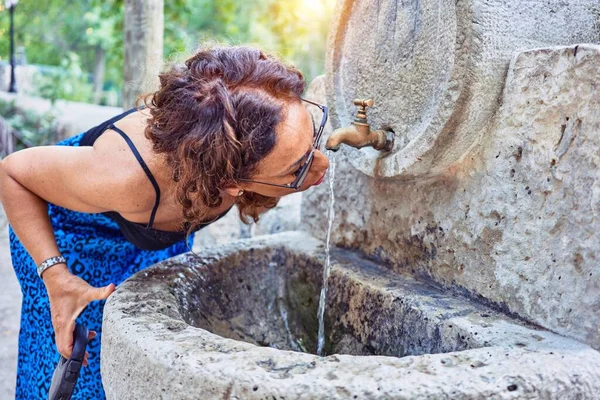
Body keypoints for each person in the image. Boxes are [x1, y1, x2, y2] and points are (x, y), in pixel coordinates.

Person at [0, 44, 330, 399]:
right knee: (79, 370)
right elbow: (12, 173)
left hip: (148, 229)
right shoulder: (125, 178)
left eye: (314, 140)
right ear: (230, 183)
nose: (322, 164)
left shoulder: (251, 111)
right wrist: (56, 276)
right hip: (66, 239)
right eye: (298, 168)